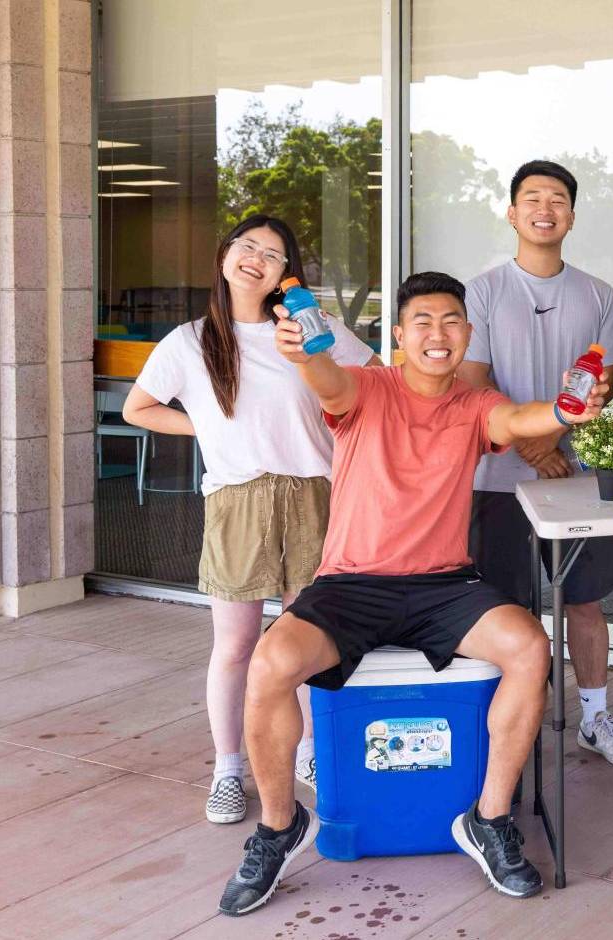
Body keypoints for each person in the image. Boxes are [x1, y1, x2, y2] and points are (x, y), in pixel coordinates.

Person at [215, 272, 611, 915]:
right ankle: (278, 827)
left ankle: (489, 818)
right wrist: (306, 352)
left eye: (451, 321)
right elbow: (328, 380)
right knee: (269, 664)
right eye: (422, 321)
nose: (438, 333)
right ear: (398, 336)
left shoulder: (475, 404)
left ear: (467, 334)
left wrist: (567, 411)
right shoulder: (367, 388)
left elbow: (520, 418)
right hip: (351, 583)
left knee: (529, 648)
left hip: (442, 585)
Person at [123, 216, 378, 826]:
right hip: (236, 500)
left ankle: (311, 754)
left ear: (285, 271)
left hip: (314, 493)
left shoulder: (310, 329)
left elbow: (376, 384)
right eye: (248, 247)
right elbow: (140, 409)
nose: (257, 259)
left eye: (273, 253)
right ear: (225, 255)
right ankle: (228, 769)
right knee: (235, 645)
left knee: (309, 643)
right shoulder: (189, 340)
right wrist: (208, 429)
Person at [462, 160, 613, 766]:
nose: (546, 208)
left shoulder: (597, 294)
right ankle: (509, 723)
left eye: (558, 199)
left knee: (587, 600)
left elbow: (610, 375)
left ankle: (595, 716)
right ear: (512, 213)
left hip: (576, 478)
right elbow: (472, 382)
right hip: (498, 478)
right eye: (533, 198)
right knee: (504, 607)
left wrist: (558, 441)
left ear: (571, 215)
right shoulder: (483, 291)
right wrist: (532, 445)